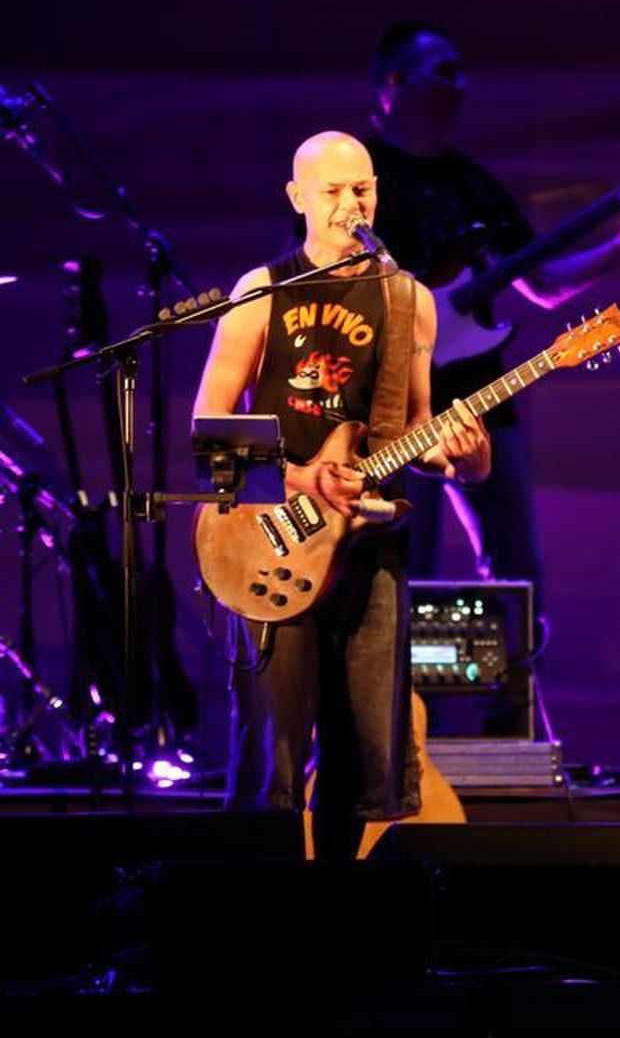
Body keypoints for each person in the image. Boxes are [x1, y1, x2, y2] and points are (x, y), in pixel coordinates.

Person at [194, 131, 489, 858]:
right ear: (297, 198)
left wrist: (465, 457)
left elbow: (414, 432)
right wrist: (299, 478)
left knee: (362, 758)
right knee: (274, 753)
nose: (350, 205)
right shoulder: (262, 293)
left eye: (363, 189)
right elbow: (210, 430)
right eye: (331, 192)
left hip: (370, 545)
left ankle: (339, 926)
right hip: (278, 538)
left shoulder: (408, 299)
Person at [365, 21, 620, 610]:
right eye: (444, 70)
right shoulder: (355, 177)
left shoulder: (472, 184)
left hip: (478, 392)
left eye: (462, 70)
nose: (461, 84)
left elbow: (544, 285)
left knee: (516, 562)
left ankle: (514, 698)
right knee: (401, 561)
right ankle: (400, 702)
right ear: (395, 83)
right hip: (391, 396)